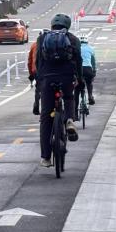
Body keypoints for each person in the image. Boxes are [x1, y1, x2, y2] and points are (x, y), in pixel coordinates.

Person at [35, 14, 83, 168]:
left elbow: (38, 62)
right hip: (67, 76)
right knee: (69, 97)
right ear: (67, 25)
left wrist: (40, 80)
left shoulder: (42, 38)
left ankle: (46, 157)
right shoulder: (73, 39)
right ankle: (69, 119)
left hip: (47, 78)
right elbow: (78, 61)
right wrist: (79, 79)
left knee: (45, 118)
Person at [78, 35, 97, 113]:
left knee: (77, 88)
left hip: (79, 69)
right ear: (87, 41)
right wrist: (94, 71)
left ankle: (75, 109)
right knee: (89, 83)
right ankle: (90, 96)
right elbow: (93, 62)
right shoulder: (91, 48)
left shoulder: (77, 48)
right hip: (88, 69)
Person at [27, 34, 40, 115]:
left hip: (36, 70)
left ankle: (36, 105)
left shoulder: (34, 45)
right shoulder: (51, 45)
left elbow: (30, 60)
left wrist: (31, 73)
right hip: (48, 71)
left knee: (38, 88)